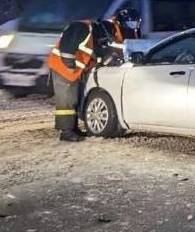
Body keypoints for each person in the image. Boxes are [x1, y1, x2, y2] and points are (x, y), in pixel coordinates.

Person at [47, 8, 140, 142]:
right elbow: (67, 49)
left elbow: (99, 52)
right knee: (67, 101)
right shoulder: (83, 28)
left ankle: (72, 129)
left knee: (73, 99)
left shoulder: (99, 33)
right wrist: (70, 65)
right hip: (63, 68)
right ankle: (66, 132)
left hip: (74, 71)